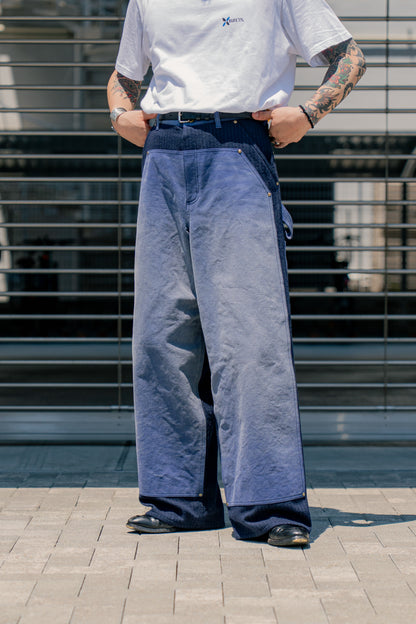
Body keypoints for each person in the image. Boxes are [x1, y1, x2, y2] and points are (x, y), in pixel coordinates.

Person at [107, 0, 366, 547]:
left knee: (251, 339)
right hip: (163, 156)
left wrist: (308, 114)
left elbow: (350, 56)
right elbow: (124, 75)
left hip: (236, 152)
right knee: (160, 339)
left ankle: (269, 507)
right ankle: (178, 501)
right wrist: (119, 114)